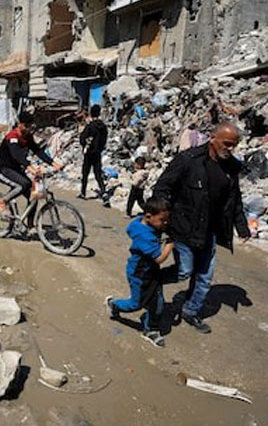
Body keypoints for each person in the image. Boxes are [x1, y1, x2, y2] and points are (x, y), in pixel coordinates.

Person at [152, 121, 251, 334]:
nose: (230, 148)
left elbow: (234, 199)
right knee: (184, 271)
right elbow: (162, 187)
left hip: (210, 231)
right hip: (183, 228)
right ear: (212, 139)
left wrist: (241, 227)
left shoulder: (232, 167)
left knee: (204, 277)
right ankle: (152, 278)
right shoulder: (188, 160)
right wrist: (162, 219)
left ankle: (191, 310)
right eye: (226, 143)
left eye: (234, 144)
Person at [105, 197, 174, 348]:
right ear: (148, 216)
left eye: (167, 220)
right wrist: (170, 244)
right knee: (136, 303)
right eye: (162, 220)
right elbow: (159, 259)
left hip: (150, 272)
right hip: (139, 275)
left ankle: (150, 329)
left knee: (158, 302)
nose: (165, 224)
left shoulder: (140, 223)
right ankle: (114, 304)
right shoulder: (145, 237)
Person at [0, 111, 63, 225]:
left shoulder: (27, 137)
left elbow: (37, 150)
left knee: (33, 196)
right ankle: (2, 202)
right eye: (26, 126)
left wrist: (53, 163)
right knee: (23, 185)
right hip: (3, 169)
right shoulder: (12, 137)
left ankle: (30, 225)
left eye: (30, 126)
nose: (28, 129)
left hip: (16, 169)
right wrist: (29, 167)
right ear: (19, 124)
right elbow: (17, 155)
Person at [78, 104, 108, 205]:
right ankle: (104, 193)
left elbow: (82, 139)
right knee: (98, 174)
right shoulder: (103, 127)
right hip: (98, 153)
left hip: (89, 153)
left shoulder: (90, 126)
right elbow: (104, 140)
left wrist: (85, 145)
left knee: (85, 173)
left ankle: (83, 192)